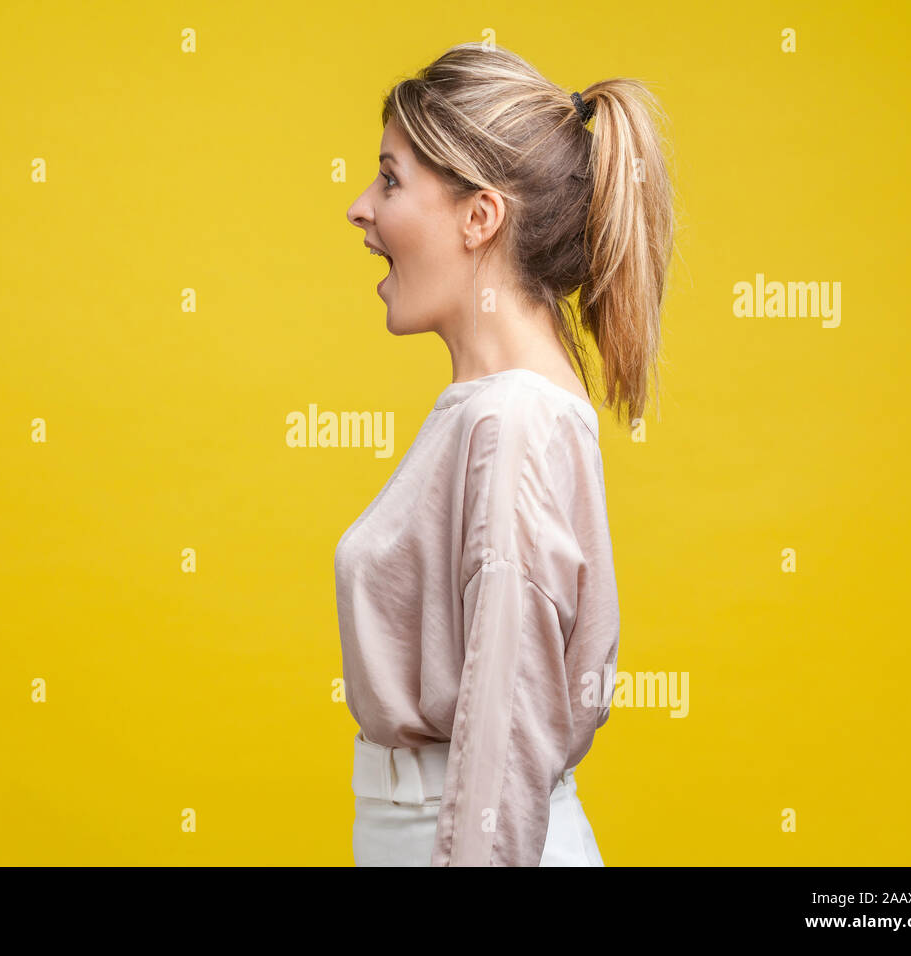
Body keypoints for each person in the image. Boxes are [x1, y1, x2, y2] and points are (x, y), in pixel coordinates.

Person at [337, 43, 676, 866]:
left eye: (390, 178)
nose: (359, 207)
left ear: (479, 216)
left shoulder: (514, 422)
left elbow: (507, 726)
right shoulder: (498, 412)